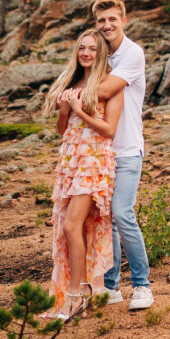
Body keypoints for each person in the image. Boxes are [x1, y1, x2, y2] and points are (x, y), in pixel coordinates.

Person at [42, 29, 123, 319]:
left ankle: (77, 295)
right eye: (82, 48)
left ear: (101, 53)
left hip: (94, 162)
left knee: (71, 225)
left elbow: (109, 129)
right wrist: (65, 110)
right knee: (70, 228)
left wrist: (81, 110)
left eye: (92, 49)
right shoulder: (71, 82)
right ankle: (80, 291)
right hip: (71, 162)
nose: (86, 53)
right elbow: (62, 130)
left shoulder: (109, 84)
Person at [91, 0, 154, 311]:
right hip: (101, 151)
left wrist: (75, 91)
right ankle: (112, 285)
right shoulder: (98, 54)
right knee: (106, 220)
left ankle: (142, 285)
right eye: (101, 20)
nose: (107, 25)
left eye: (112, 19)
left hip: (128, 148)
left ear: (123, 21)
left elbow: (102, 91)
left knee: (122, 214)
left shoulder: (133, 53)